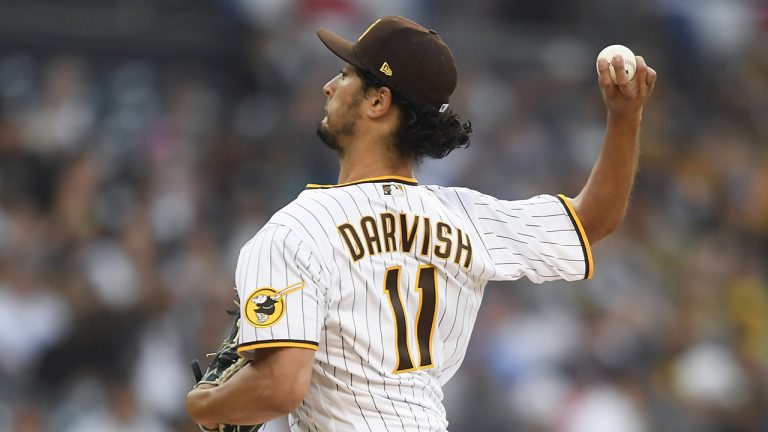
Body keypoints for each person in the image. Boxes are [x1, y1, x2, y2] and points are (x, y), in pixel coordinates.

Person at [186, 15, 656, 431]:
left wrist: (206, 404)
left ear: (378, 102)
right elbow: (595, 218)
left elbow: (279, 387)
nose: (330, 86)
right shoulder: (466, 216)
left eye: (347, 74)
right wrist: (625, 117)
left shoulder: (298, 230)